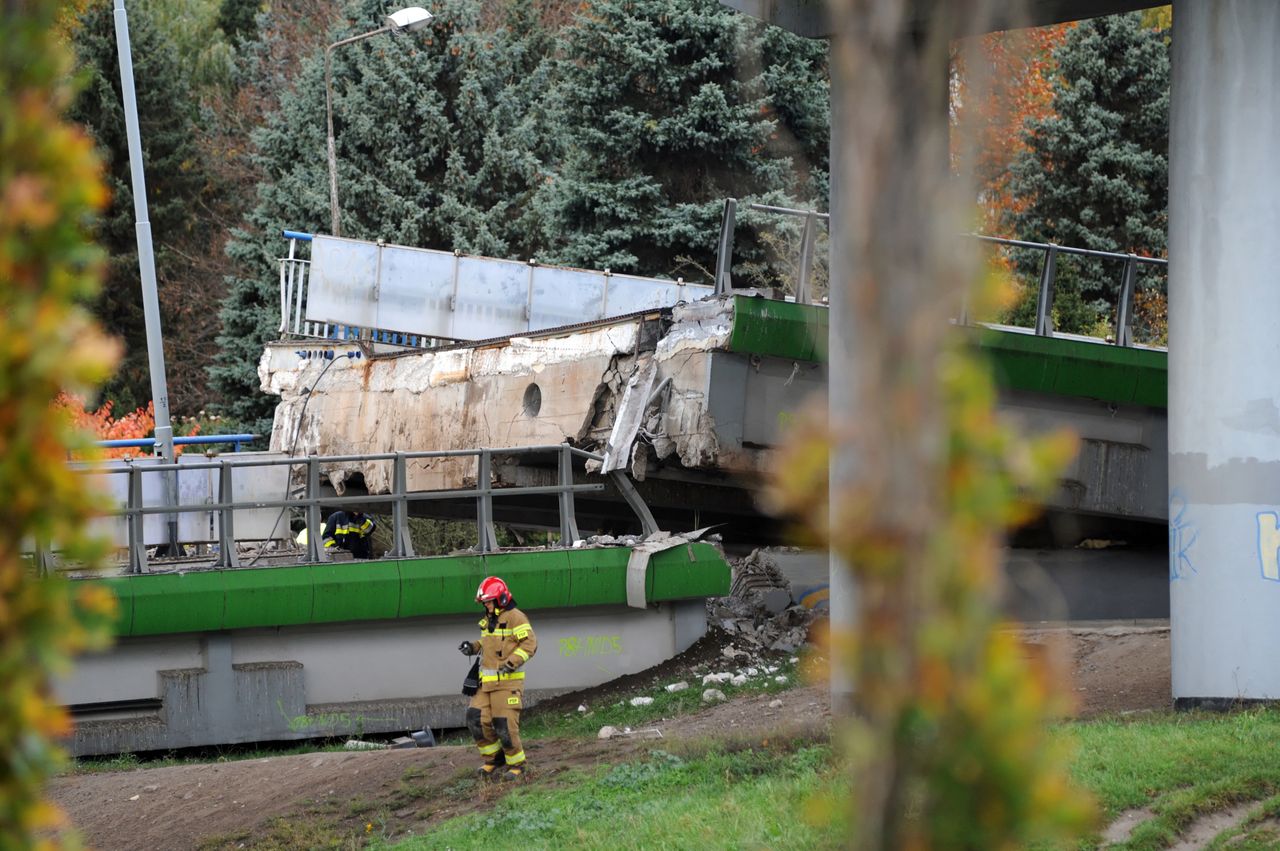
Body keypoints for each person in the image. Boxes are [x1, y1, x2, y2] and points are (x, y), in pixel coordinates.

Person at [459, 576, 537, 781]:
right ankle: (494, 759)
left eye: (488, 601)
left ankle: (517, 764)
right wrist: (473, 647)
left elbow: (530, 644)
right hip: (486, 683)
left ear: (501, 598)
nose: (485, 604)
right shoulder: (489, 619)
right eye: (484, 602)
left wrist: (512, 662)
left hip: (508, 683)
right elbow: (488, 642)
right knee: (475, 718)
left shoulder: (516, 617)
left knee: (504, 724)